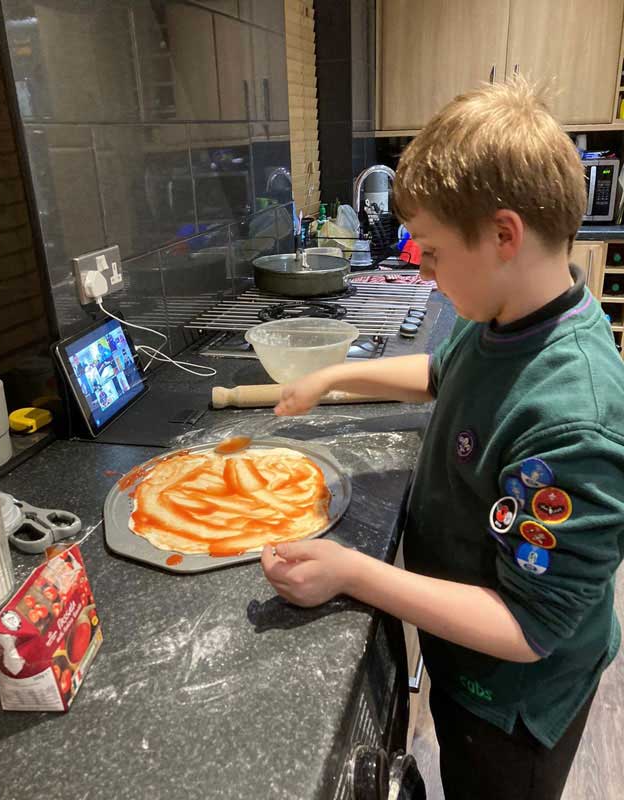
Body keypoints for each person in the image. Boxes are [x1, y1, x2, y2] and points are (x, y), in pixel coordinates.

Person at [260, 79, 624, 800]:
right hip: (467, 659)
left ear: (503, 234)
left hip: (511, 703)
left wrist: (352, 572)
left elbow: (527, 627)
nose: (421, 272)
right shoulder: (507, 312)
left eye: (429, 251)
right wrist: (332, 378)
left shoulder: (572, 421)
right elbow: (440, 371)